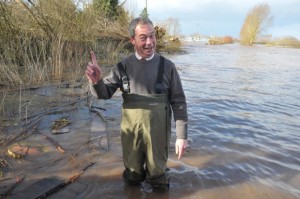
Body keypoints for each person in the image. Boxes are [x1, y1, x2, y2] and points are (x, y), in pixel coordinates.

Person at [85, 17, 188, 192]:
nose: (150, 43)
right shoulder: (122, 67)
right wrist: (96, 82)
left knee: (158, 176)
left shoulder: (168, 67)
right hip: (131, 134)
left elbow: (179, 102)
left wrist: (181, 136)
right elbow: (104, 93)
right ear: (132, 40)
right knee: (132, 176)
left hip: (158, 134)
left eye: (152, 36)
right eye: (143, 38)